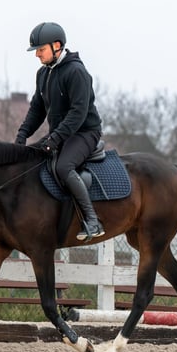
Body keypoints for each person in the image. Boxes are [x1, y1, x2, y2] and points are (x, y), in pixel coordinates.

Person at [15, 22, 105, 241]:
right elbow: (37, 109)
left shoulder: (77, 72)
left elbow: (77, 114)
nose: (37, 54)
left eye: (41, 49)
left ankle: (92, 220)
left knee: (64, 166)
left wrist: (53, 139)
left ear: (57, 46)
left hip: (85, 133)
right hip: (62, 134)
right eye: (36, 50)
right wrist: (22, 134)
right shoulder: (43, 74)